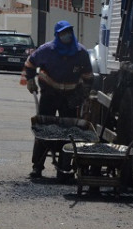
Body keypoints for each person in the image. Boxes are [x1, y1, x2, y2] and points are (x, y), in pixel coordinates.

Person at [22, 20, 93, 178]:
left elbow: (88, 76)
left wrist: (83, 96)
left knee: (68, 132)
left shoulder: (80, 52)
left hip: (70, 96)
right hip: (50, 93)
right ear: (57, 35)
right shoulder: (47, 50)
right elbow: (29, 64)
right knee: (44, 128)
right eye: (62, 33)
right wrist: (30, 80)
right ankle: (37, 166)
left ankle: (64, 166)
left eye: (68, 32)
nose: (66, 36)